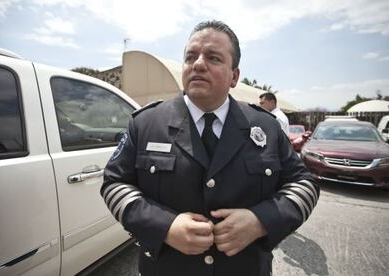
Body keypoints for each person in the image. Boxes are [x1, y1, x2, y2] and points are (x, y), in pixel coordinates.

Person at [101, 20, 319, 276]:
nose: (198, 64)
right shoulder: (146, 123)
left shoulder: (266, 127)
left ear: (234, 76)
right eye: (190, 56)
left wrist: (261, 220)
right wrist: (164, 226)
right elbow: (114, 184)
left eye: (213, 58)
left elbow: (304, 184)